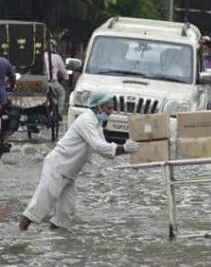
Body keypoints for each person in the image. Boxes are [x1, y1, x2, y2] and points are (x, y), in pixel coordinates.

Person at [18, 92, 140, 230]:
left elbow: (105, 152)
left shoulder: (97, 124)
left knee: (65, 214)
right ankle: (18, 235)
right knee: (39, 207)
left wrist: (126, 150)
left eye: (112, 108)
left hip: (70, 173)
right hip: (58, 167)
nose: (110, 112)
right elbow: (98, 145)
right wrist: (124, 148)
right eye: (108, 108)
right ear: (98, 107)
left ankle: (57, 244)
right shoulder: (86, 120)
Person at [44, 40, 69, 119]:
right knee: (62, 93)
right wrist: (66, 78)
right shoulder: (57, 57)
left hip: (42, 83)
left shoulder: (41, 56)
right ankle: (59, 112)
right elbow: (63, 72)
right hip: (53, 82)